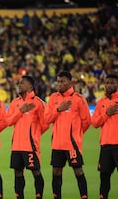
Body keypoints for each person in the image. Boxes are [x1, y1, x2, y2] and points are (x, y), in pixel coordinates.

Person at [44, 70, 91, 199]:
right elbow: (47, 119)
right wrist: (59, 109)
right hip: (57, 144)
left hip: (72, 144)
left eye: (63, 81)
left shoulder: (78, 99)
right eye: (58, 81)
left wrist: (76, 134)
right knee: (56, 172)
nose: (59, 84)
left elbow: (86, 122)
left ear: (70, 82)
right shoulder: (53, 98)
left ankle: (84, 196)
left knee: (78, 171)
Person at [91, 74, 118, 199]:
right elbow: (94, 123)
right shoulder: (101, 103)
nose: (109, 85)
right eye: (107, 83)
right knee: (104, 177)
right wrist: (106, 113)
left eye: (112, 83)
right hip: (105, 146)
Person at [6, 76, 48, 199]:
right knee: (18, 173)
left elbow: (45, 124)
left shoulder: (38, 103)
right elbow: (8, 121)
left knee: (36, 172)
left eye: (22, 83)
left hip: (30, 146)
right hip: (16, 146)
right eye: (19, 83)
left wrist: (33, 135)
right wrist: (21, 111)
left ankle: (39, 195)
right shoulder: (15, 102)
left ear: (30, 86)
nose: (19, 85)